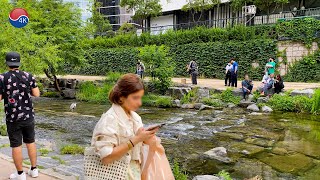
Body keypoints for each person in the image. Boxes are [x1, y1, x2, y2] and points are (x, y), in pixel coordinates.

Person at [90, 73, 160, 179]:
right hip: (114, 175)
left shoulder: (135, 117)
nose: (140, 103)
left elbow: (137, 153)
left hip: (133, 174)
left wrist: (146, 139)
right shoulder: (110, 119)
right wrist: (136, 139)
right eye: (135, 98)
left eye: (141, 98)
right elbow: (106, 158)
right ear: (121, 98)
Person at [0, 52, 40, 180]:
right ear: (19, 62)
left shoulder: (2, 78)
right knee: (30, 142)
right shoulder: (28, 75)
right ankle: (34, 170)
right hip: (28, 116)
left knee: (16, 145)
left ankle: (20, 174)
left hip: (13, 118)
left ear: (7, 63)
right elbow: (37, 93)